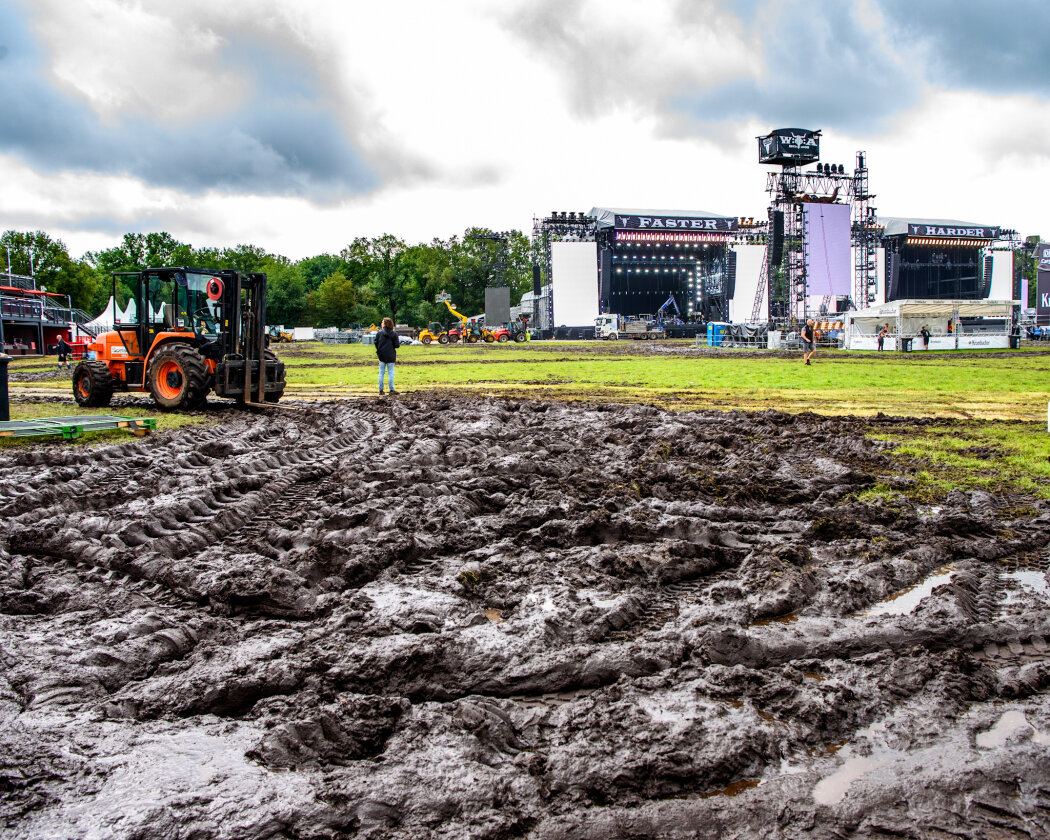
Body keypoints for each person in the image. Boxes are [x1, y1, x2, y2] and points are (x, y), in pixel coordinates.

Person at [375, 317, 400, 395]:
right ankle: (391, 389)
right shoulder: (394, 334)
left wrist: (379, 350)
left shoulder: (379, 333)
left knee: (381, 373)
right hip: (391, 356)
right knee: (390, 373)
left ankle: (381, 390)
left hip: (381, 355)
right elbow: (397, 345)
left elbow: (376, 343)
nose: (381, 323)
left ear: (385, 324)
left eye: (382, 322)